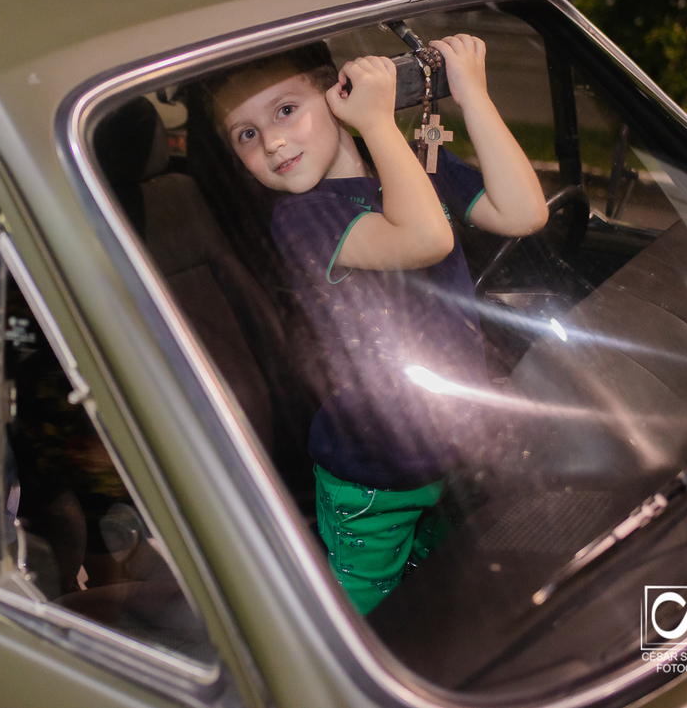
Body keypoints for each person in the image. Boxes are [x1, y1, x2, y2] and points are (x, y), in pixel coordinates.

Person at [205, 35, 548, 613]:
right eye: (247, 134)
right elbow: (425, 237)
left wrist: (473, 96)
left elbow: (523, 212)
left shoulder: (413, 166)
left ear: (336, 95)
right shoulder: (302, 219)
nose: (273, 141)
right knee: (361, 620)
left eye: (286, 110)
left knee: (435, 601)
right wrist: (380, 125)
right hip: (371, 475)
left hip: (453, 448)